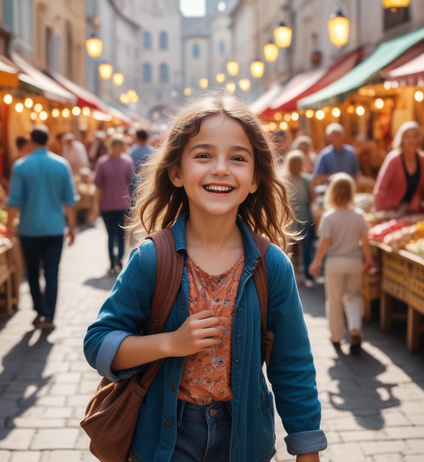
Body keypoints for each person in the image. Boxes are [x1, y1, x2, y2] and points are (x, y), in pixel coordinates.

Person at [84, 94, 327, 461]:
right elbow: (98, 342)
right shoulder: (152, 259)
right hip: (164, 440)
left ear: (256, 178)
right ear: (176, 172)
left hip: (244, 439)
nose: (220, 169)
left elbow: (292, 364)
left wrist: (307, 450)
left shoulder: (270, 265)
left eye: (238, 158)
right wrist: (170, 343)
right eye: (203, 155)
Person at [7, 126, 78, 331]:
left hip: (29, 229)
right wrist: (72, 226)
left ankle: (39, 310)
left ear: (30, 141)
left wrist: (8, 226)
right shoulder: (61, 164)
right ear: (48, 141)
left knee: (32, 272)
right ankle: (49, 315)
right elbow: (69, 200)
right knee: (51, 272)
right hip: (55, 228)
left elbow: (14, 201)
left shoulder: (21, 166)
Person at [309, 173, 372, 355]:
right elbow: (365, 242)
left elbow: (325, 243)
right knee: (354, 296)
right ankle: (354, 328)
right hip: (354, 262)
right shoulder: (359, 215)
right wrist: (368, 260)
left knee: (334, 301)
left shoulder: (329, 216)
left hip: (335, 263)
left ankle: (336, 336)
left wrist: (316, 262)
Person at [92, 135, 134, 274]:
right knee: (115, 234)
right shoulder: (122, 162)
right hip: (112, 204)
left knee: (116, 234)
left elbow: (130, 184)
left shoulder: (106, 162)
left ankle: (116, 260)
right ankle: (116, 260)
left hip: (115, 204)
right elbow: (131, 184)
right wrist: (95, 205)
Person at [373, 121, 424, 213]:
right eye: (407, 137)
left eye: (414, 136)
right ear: (401, 140)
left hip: (412, 211)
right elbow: (381, 190)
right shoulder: (394, 159)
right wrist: (378, 212)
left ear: (419, 139)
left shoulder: (423, 159)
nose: (411, 140)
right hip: (391, 211)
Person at [282, 150, 315, 287]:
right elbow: (312, 198)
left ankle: (295, 276)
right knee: (304, 250)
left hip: (292, 220)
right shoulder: (305, 180)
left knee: (292, 251)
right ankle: (305, 275)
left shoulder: (285, 180)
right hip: (302, 219)